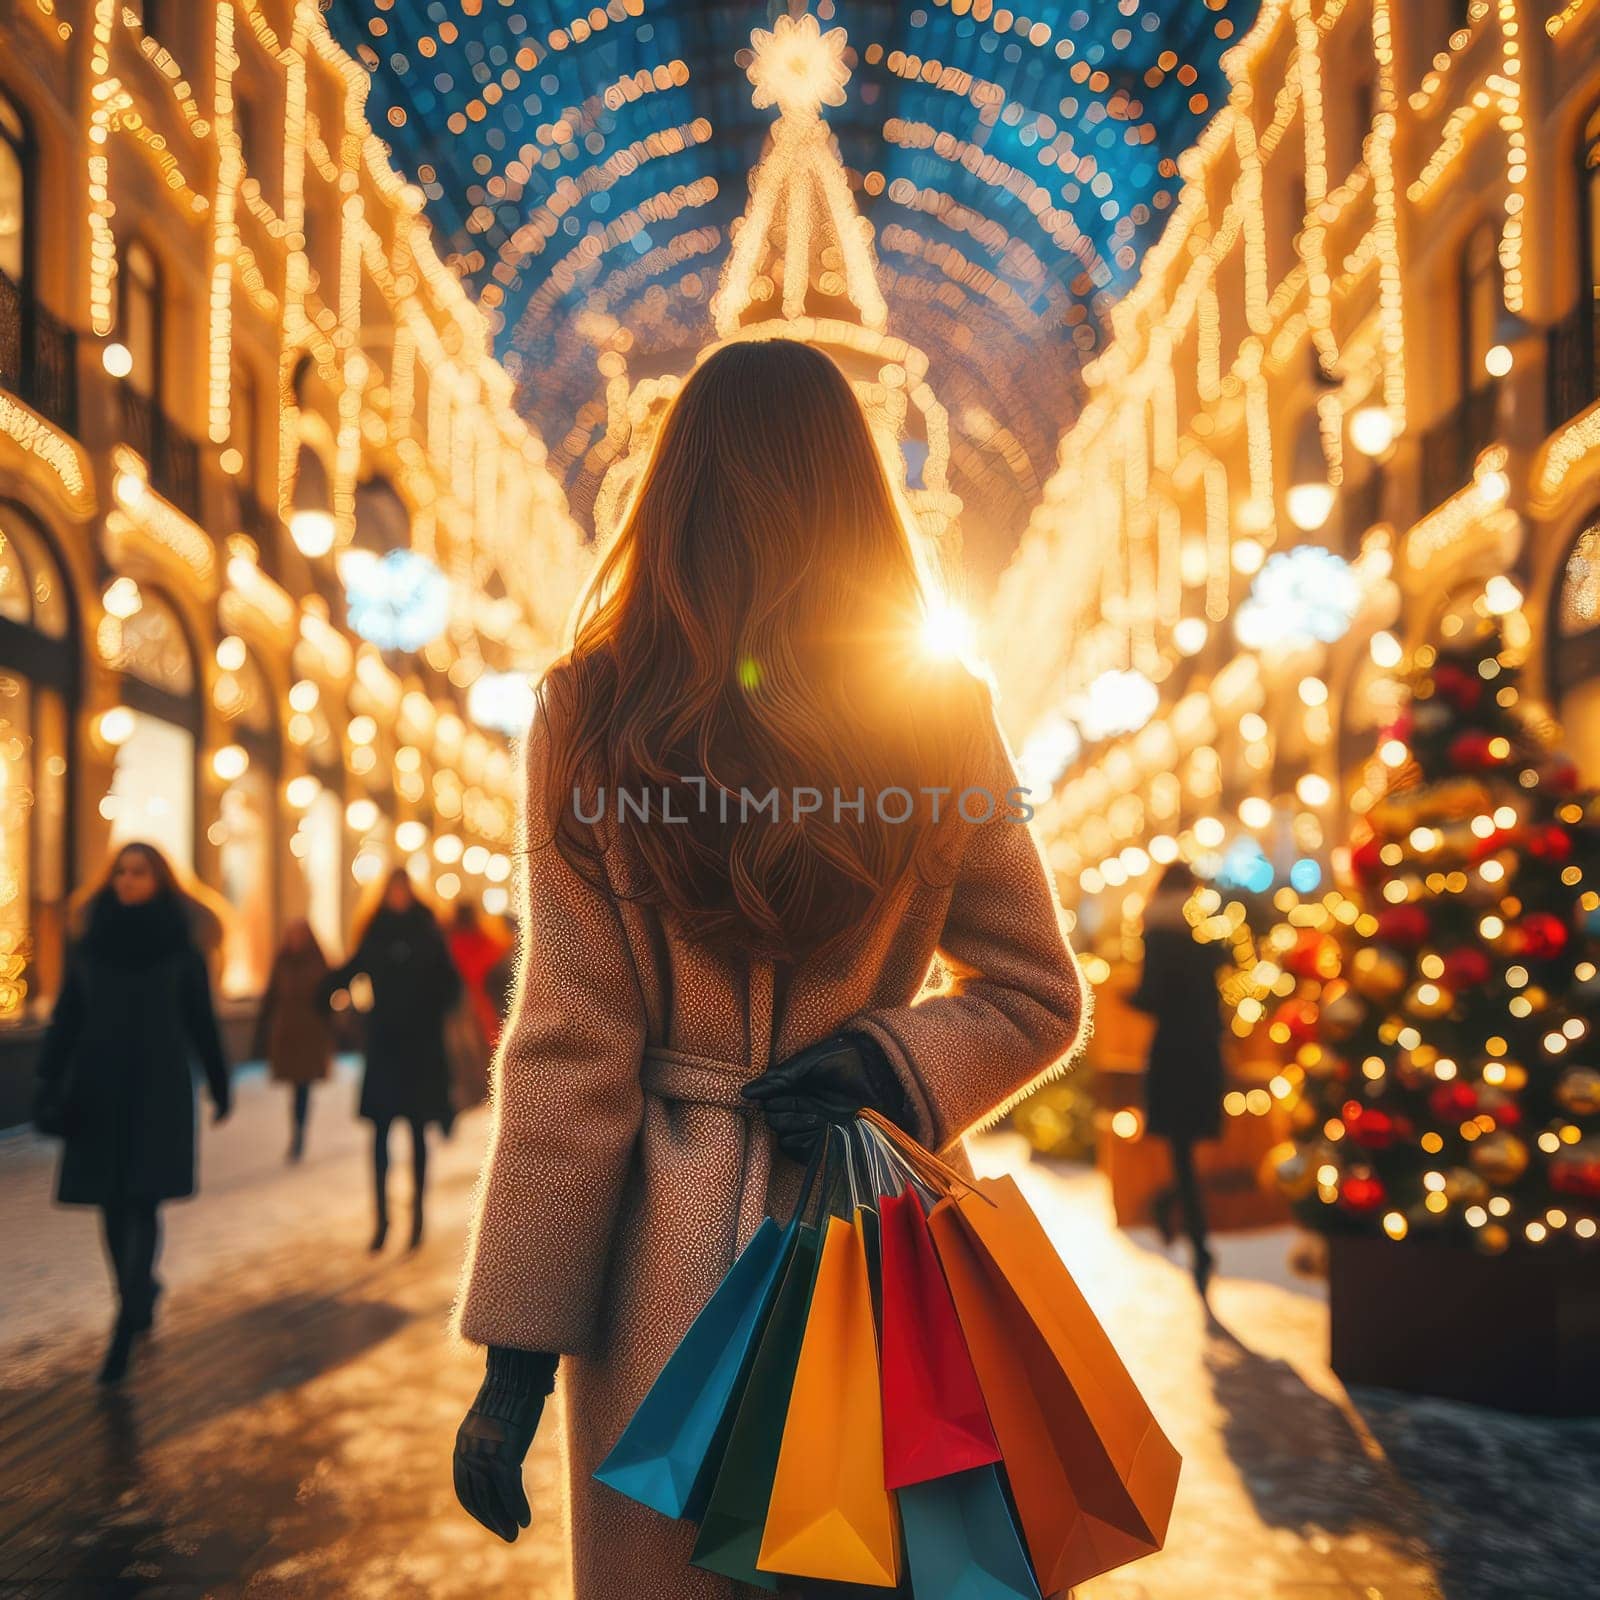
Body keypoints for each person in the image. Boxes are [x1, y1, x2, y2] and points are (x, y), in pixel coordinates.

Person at [451, 340, 1086, 1598]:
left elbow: (574, 1045)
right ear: (860, 494)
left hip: (658, 1275)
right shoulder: (941, 707)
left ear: (672, 488)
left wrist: (515, 1361)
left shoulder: (591, 709)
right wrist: (889, 1063)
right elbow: (1034, 993)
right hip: (880, 1241)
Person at [32, 842, 231, 1384]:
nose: (126, 881)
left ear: (160, 881)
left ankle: (125, 1319)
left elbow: (202, 1021)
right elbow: (68, 1017)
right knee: (110, 1202)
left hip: (158, 1089)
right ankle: (137, 1289)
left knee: (141, 1199)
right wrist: (47, 1078)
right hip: (97, 1087)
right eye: (120, 872)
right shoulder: (91, 945)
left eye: (138, 873)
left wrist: (220, 1083)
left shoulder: (181, 950)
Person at [321, 869, 461, 1251]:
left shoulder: (428, 932)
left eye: (402, 890)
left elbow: (451, 984)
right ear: (383, 895)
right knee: (380, 1134)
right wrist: (324, 994)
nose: (397, 896)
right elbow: (349, 972)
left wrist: (430, 1008)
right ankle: (382, 1220)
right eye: (392, 891)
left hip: (419, 1047)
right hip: (384, 1046)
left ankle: (416, 1219)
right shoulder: (376, 932)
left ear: (411, 893)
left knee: (417, 1134)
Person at [1129, 861, 1226, 1296]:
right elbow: (1214, 1004)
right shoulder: (1203, 942)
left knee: (1182, 1150)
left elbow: (1152, 997)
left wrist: (1125, 998)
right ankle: (1196, 1238)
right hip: (1203, 1053)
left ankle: (1183, 1221)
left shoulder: (1155, 936)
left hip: (1172, 1054)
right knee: (1190, 1149)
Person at [252, 918, 334, 1162]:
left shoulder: (317, 963)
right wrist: (261, 1033)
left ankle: (299, 1134)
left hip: (310, 1035)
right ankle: (296, 1132)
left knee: (303, 1087)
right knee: (294, 1088)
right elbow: (271, 997)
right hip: (287, 1035)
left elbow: (328, 997)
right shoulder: (282, 963)